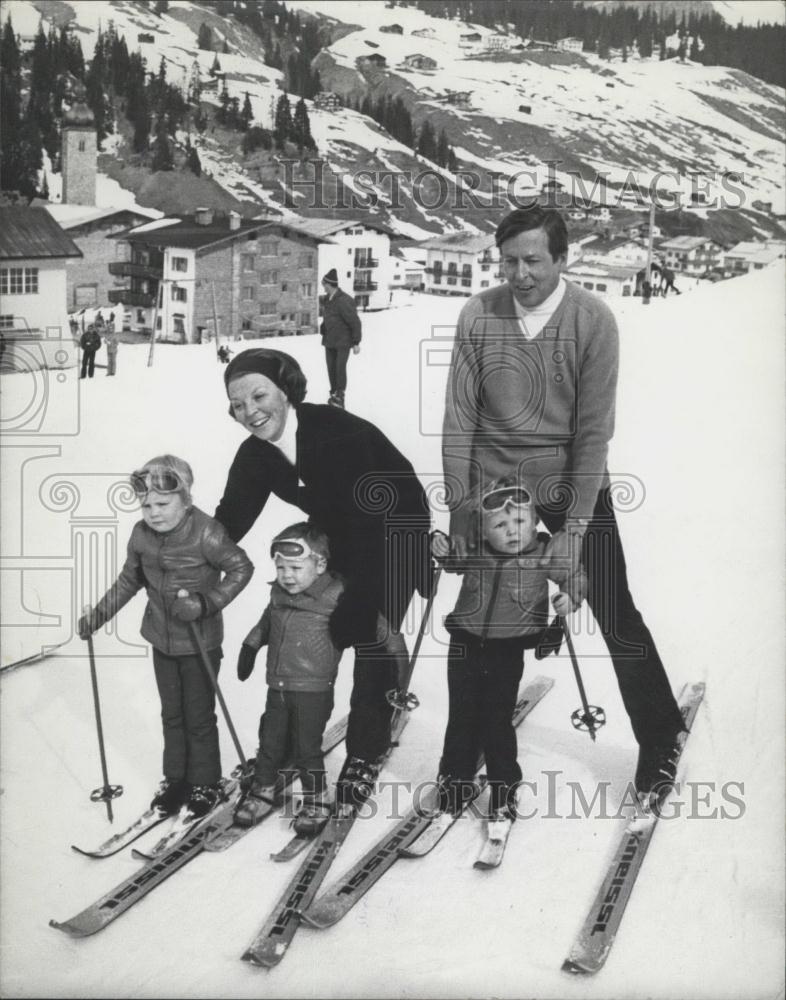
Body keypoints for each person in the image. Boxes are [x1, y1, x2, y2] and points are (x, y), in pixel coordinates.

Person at [442, 205, 685, 811]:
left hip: (569, 480)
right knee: (483, 615)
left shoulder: (592, 320)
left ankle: (660, 736)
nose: (519, 274)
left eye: (532, 261)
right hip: (496, 486)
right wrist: (461, 505)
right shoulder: (479, 313)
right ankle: (472, 738)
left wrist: (574, 529)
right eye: (508, 261)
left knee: (612, 606)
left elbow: (593, 432)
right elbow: (459, 419)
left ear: (561, 258)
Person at [215, 348, 433, 810]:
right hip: (341, 536)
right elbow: (228, 520)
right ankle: (298, 738)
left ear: (287, 392)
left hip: (396, 531)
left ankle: (365, 750)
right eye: (238, 404)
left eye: (259, 396)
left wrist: (361, 596)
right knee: (314, 628)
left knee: (370, 635)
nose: (251, 411)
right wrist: (187, 556)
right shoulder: (257, 454)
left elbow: (375, 519)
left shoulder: (339, 434)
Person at [78, 455, 254, 818]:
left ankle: (206, 781)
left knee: (198, 716)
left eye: (163, 503)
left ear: (185, 499)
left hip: (199, 643)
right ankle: (176, 780)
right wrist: (97, 616)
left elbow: (241, 567)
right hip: (162, 639)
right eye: (146, 505)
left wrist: (207, 603)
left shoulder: (207, 531)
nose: (154, 513)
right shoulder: (141, 535)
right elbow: (130, 579)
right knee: (172, 714)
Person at [431, 477, 584, 837]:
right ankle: (455, 778)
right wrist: (441, 549)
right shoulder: (477, 549)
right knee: (462, 712)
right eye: (500, 525)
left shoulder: (544, 553)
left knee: (496, 719)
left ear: (535, 523)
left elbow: (574, 576)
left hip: (508, 647)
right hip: (465, 641)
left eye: (520, 522)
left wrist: (570, 597)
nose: (512, 532)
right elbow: (453, 561)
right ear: (485, 528)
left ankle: (504, 790)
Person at [233, 521, 408, 833]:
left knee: (306, 748)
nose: (287, 576)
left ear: (320, 564)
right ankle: (262, 789)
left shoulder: (338, 596)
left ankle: (317, 799)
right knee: (270, 741)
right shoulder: (278, 593)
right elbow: (266, 622)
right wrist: (251, 644)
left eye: (296, 568)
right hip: (277, 687)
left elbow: (383, 629)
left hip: (313, 691)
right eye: (281, 567)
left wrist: (398, 665)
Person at [320, 268, 361, 409]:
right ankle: (334, 394)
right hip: (329, 341)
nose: (323, 287)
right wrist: (323, 326)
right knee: (330, 368)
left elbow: (354, 322)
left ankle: (340, 396)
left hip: (343, 342)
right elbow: (329, 317)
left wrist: (356, 342)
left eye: (324, 285)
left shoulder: (344, 301)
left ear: (330, 285)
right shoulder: (327, 300)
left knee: (339, 368)